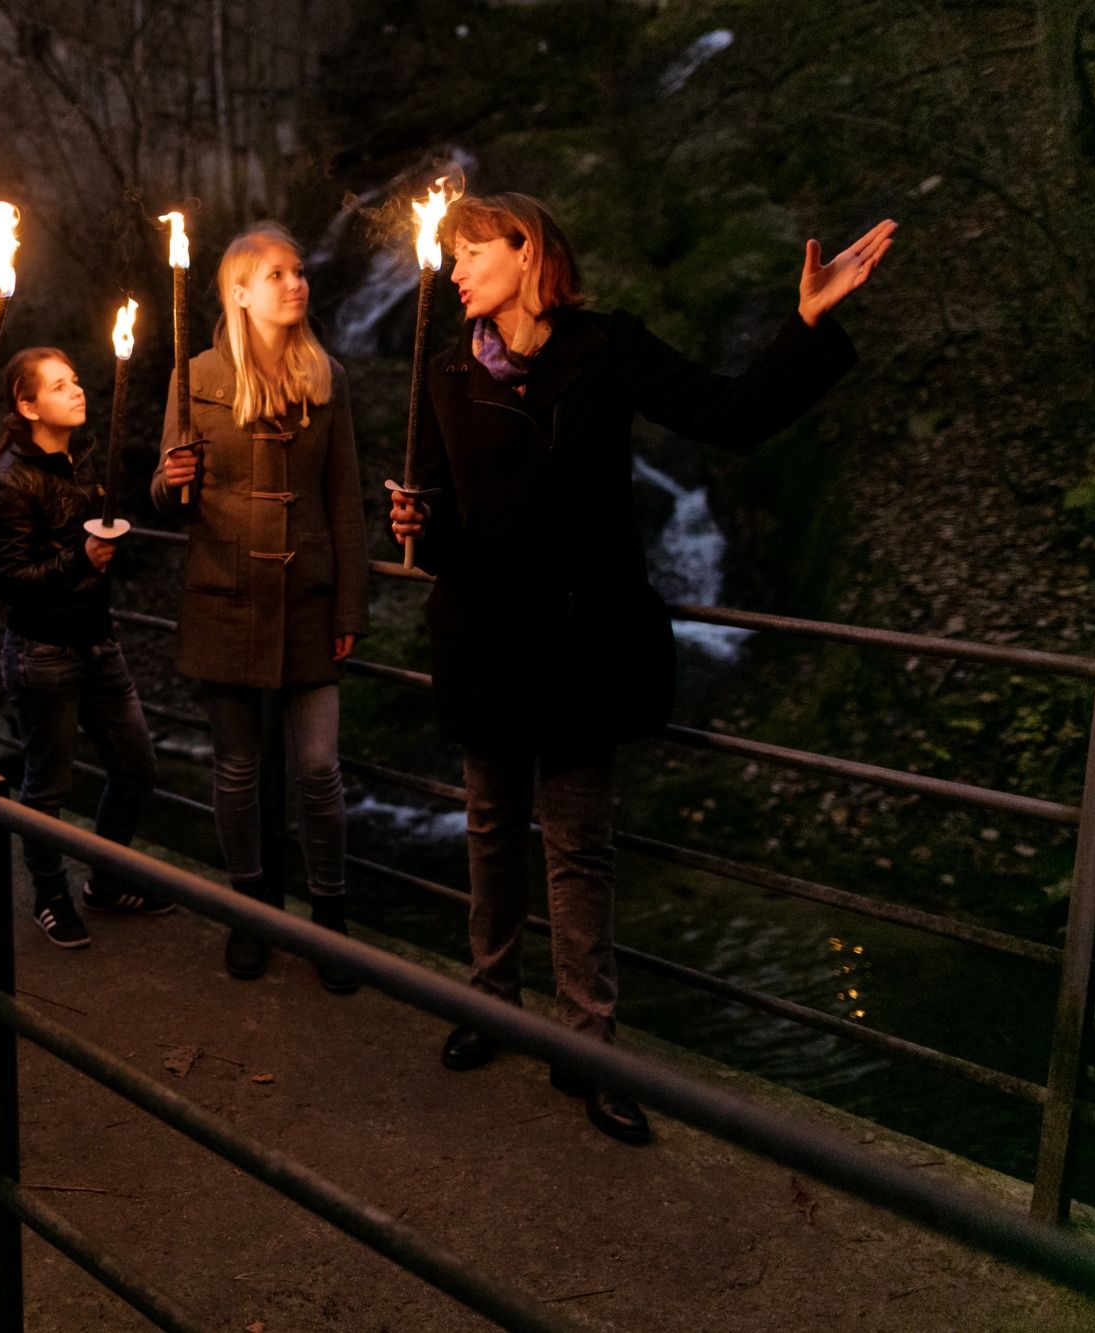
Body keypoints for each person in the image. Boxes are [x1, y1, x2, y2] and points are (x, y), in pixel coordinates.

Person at [391, 193, 895, 1146]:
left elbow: (730, 414)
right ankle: (491, 1001)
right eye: (451, 254)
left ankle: (592, 1049)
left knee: (578, 846)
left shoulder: (607, 347)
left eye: (471, 251)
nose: (455, 270)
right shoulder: (448, 368)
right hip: (485, 635)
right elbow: (451, 520)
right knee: (493, 827)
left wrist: (807, 324)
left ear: (525, 248)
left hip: (583, 642)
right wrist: (421, 527)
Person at [151, 223, 371, 992]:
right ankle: (250, 912)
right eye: (276, 273)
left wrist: (352, 602)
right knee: (239, 769)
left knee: (318, 769)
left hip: (309, 601)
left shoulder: (328, 376)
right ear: (239, 292)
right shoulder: (198, 376)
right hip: (226, 595)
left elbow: (345, 500)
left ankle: (331, 921)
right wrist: (172, 478)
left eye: (299, 269)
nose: (296, 282)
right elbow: (163, 490)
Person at [0, 347, 166, 949]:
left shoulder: (82, 459)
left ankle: (105, 882)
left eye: (76, 379)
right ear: (27, 405)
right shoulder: (7, 480)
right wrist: (78, 558)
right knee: (46, 786)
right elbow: (12, 583)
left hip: (98, 642)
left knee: (136, 769)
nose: (77, 391)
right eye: (60, 386)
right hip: (43, 652)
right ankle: (51, 896)